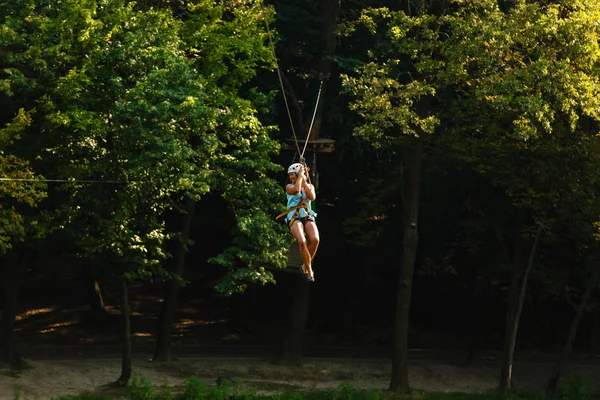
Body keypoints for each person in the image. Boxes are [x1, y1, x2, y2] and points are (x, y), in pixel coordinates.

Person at [284, 162, 320, 282]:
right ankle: (309, 269)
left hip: (307, 214)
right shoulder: (289, 187)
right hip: (294, 216)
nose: (290, 177)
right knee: (302, 242)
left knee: (315, 240)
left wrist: (304, 179)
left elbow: (312, 197)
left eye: (292, 175)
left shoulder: (310, 186)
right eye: (290, 175)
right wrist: (300, 176)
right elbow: (296, 190)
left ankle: (304, 265)